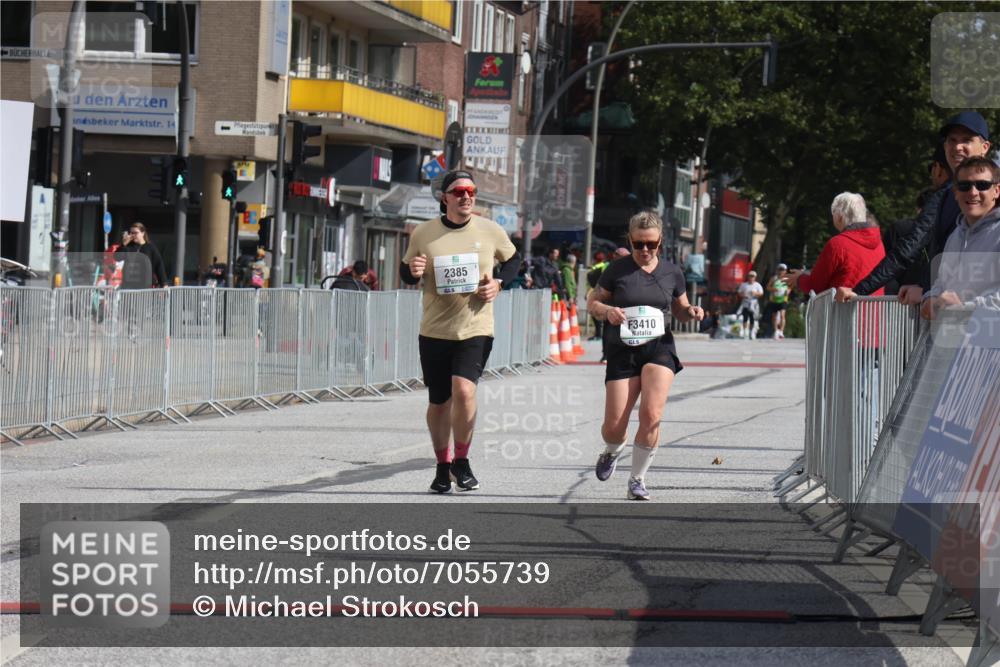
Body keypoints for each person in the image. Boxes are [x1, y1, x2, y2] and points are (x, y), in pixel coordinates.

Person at [400, 170, 520, 494]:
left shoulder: (490, 230)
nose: (466, 196)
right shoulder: (424, 232)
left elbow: (513, 261)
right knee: (439, 402)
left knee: (464, 392)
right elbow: (407, 270)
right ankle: (442, 467)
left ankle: (462, 461)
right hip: (435, 330)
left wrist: (498, 282)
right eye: (459, 191)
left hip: (475, 327)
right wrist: (412, 271)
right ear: (445, 198)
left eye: (471, 191)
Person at [587, 211, 704, 500]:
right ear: (630, 240)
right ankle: (612, 450)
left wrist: (691, 313)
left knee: (651, 414)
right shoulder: (617, 270)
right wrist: (607, 311)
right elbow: (593, 302)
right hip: (622, 349)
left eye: (651, 244)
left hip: (659, 346)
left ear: (660, 242)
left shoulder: (672, 272)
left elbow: (680, 308)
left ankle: (637, 479)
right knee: (614, 427)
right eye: (638, 244)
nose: (644, 250)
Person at [837, 111, 990, 304]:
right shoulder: (943, 196)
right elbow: (909, 248)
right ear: (944, 147)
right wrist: (859, 290)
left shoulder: (992, 193)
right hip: (949, 313)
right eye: (952, 140)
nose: (958, 147)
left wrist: (928, 290)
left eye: (966, 140)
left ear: (985, 147)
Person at [920, 156, 1000, 319]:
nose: (973, 192)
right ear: (956, 192)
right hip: (956, 339)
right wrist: (930, 297)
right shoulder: (955, 236)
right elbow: (942, 283)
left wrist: (964, 307)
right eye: (964, 186)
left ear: (996, 191)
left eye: (982, 185)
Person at [787, 192, 886, 297]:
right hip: (874, 310)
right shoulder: (879, 244)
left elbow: (815, 286)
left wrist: (799, 279)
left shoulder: (837, 244)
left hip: (844, 310)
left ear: (840, 217)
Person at [116, 222, 168, 288]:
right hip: (129, 285)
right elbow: (117, 257)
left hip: (146, 286)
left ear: (143, 233)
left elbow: (159, 265)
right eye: (131, 233)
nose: (133, 235)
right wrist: (123, 245)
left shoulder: (150, 247)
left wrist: (164, 283)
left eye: (135, 233)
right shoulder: (128, 247)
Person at [586, 251, 609, 342]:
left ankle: (599, 334)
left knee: (597, 314)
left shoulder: (597, 267)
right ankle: (598, 334)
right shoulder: (605, 266)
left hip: (598, 292)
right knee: (597, 314)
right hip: (600, 292)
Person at [736, 270, 764, 339]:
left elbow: (761, 293)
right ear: (748, 277)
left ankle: (751, 332)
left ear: (755, 277)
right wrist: (743, 295)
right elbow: (739, 293)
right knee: (745, 317)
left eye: (753, 276)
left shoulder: (757, 285)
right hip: (745, 302)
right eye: (750, 276)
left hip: (753, 303)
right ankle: (745, 332)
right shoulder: (744, 285)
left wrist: (755, 293)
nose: (751, 278)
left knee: (752, 318)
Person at [766, 264, 790, 339]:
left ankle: (781, 332)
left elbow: (790, 287)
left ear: (785, 271)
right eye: (780, 269)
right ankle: (776, 330)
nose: (781, 271)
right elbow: (768, 287)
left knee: (782, 315)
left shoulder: (787, 279)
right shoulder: (774, 278)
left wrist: (788, 291)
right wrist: (773, 289)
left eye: (783, 270)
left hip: (783, 299)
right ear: (777, 270)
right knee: (774, 316)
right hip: (774, 299)